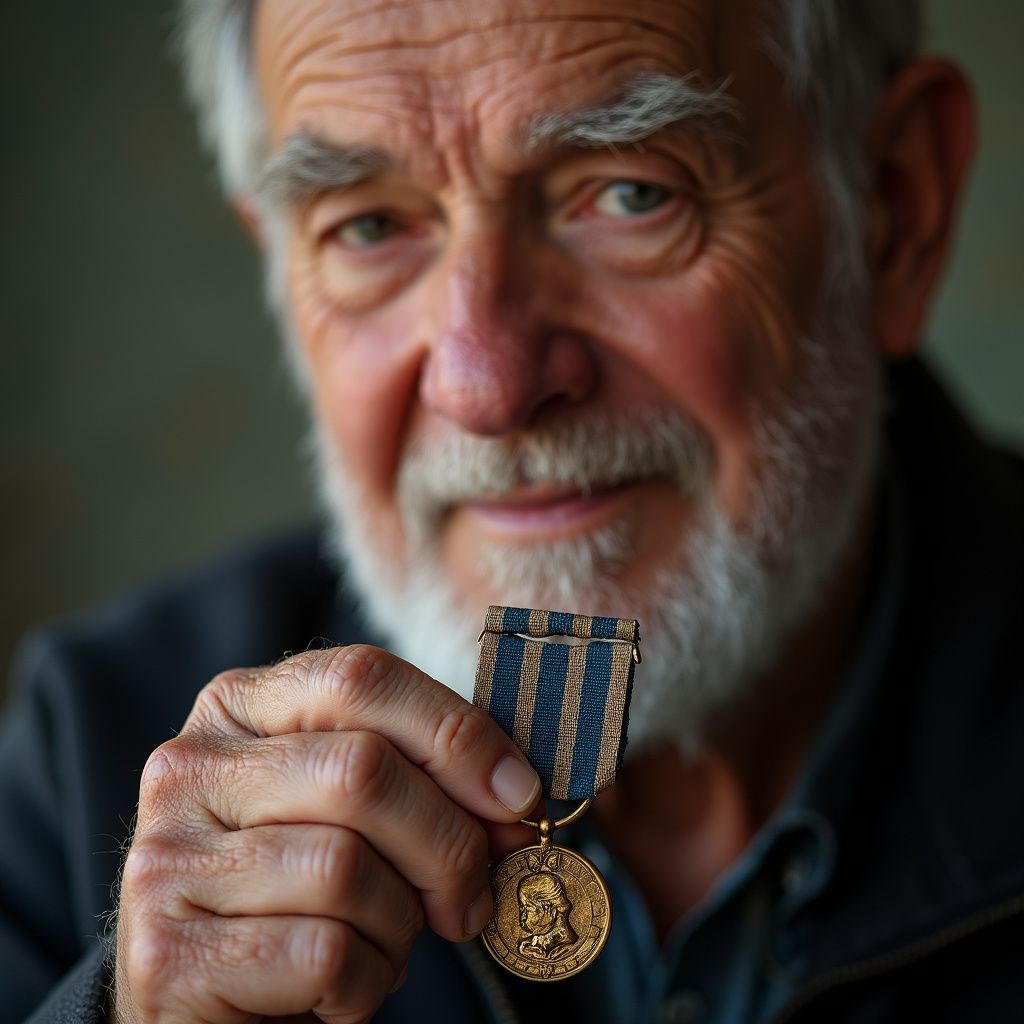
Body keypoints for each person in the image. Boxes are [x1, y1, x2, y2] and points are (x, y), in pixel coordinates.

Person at [2, 0, 1022, 1021]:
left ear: (894, 210)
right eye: (369, 225)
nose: (485, 384)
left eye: (629, 194)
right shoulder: (95, 760)